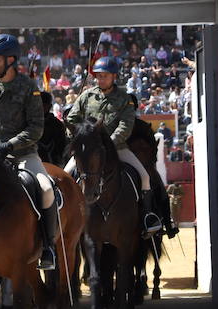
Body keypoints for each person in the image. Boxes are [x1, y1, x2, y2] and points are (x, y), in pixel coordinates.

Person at [0, 34, 58, 270]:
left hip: (23, 154)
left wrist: (9, 145)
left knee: (45, 188)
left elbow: (36, 128)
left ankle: (48, 246)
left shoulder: (28, 87)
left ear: (11, 59)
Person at [64, 56, 163, 236]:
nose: (101, 79)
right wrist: (80, 137)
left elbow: (125, 126)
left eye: (105, 76)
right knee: (65, 177)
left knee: (144, 177)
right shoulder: (86, 96)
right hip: (89, 151)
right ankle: (64, 218)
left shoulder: (124, 98)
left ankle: (148, 217)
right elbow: (72, 119)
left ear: (114, 77)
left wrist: (108, 144)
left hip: (118, 149)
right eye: (98, 76)